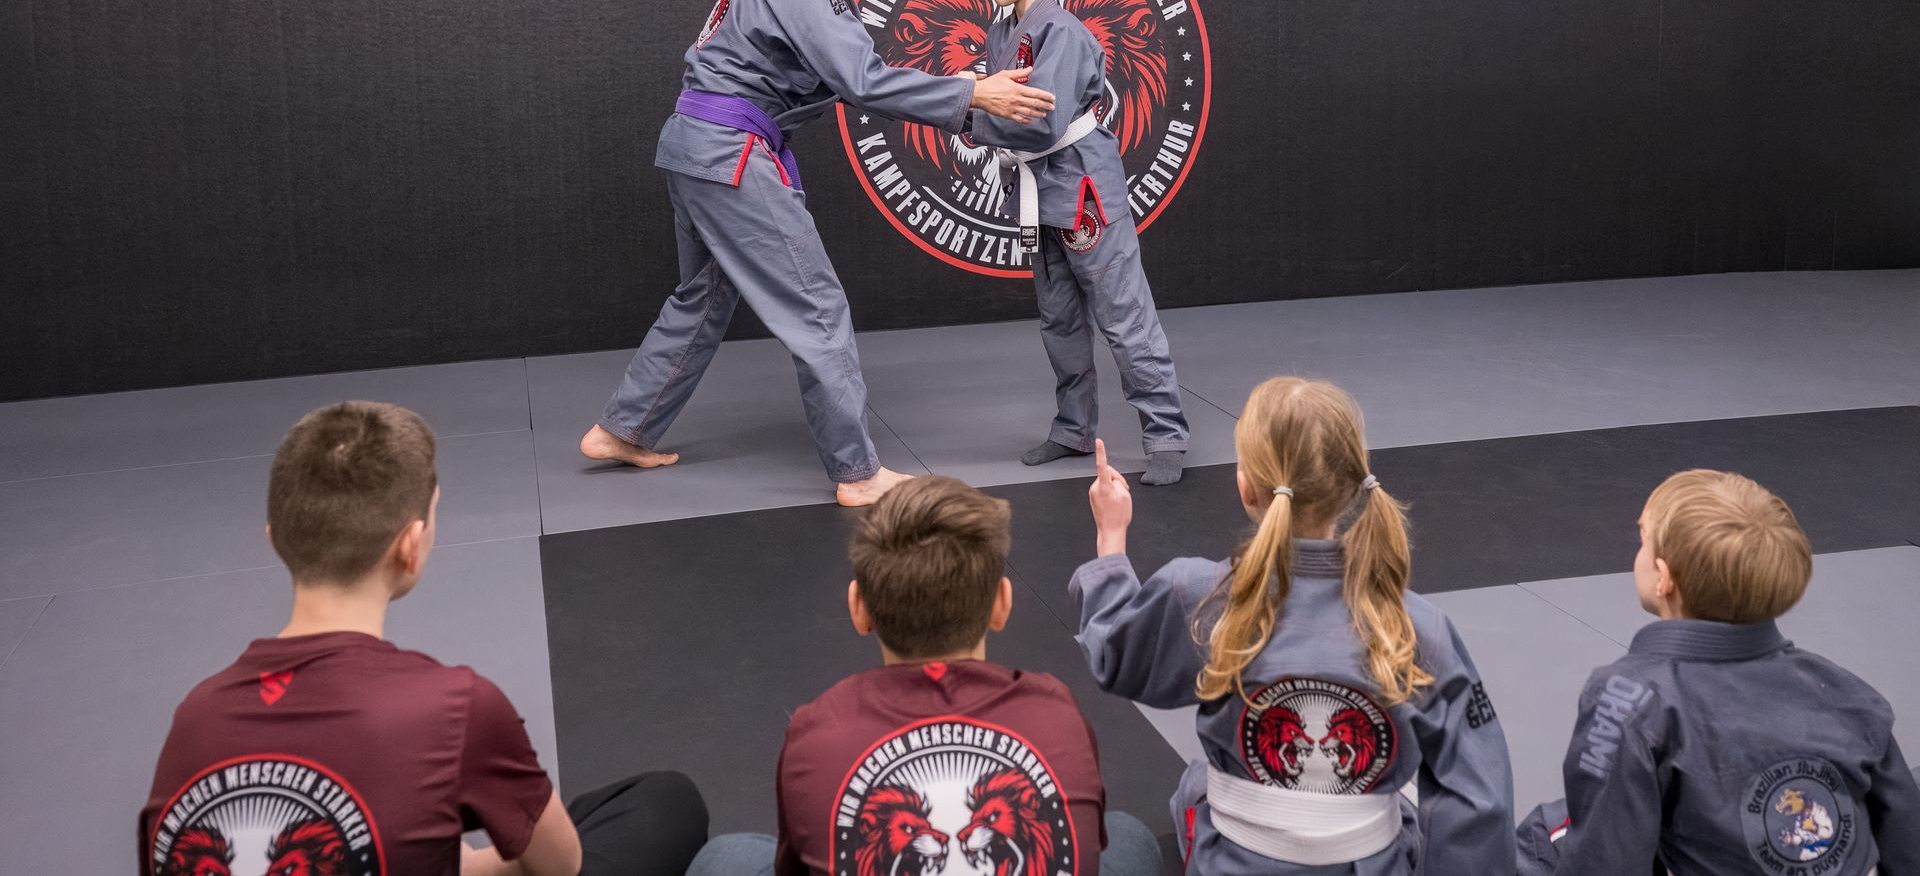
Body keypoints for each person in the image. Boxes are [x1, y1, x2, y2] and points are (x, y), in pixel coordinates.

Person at [580, 0, 1055, 507]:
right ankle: (857, 472)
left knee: (705, 293)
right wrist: (973, 92)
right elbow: (860, 81)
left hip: (693, 142)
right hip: (728, 152)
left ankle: (622, 427)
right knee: (819, 307)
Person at [140, 401, 707, 876]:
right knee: (666, 804)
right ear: (411, 546)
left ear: (274, 539)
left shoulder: (194, 717)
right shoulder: (455, 707)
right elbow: (561, 868)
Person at [1071, 378, 1517, 875]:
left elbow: (1115, 656)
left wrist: (1111, 540)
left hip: (1231, 864)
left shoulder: (1202, 596)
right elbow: (1480, 802)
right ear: (1353, 482)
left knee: (1192, 789)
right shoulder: (1417, 629)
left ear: (1245, 485)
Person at [687, 475, 1162, 876]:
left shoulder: (816, 731)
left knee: (726, 857)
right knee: (1126, 835)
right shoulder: (1055, 712)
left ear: (859, 609)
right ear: (1002, 604)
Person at [1517, 469, 1920, 874]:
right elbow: (1908, 848)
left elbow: (1606, 864)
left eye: (1643, 542)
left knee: (1545, 833)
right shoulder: (1850, 694)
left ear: (1663, 577)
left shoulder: (1628, 699)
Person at [969, 0, 1191, 487]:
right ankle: (1072, 428)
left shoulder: (1063, 33)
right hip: (1037, 192)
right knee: (1059, 319)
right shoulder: (1000, 31)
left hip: (1084, 189)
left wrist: (966, 115)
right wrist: (976, 110)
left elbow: (1040, 124)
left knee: (1123, 316)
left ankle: (1165, 432)